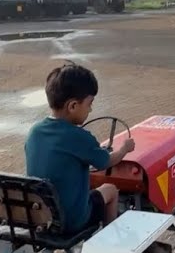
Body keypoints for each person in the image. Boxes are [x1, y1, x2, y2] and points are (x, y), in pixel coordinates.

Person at [25, 62, 135, 231]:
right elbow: (106, 162)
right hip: (71, 221)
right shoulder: (79, 137)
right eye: (89, 104)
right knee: (110, 189)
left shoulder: (34, 132)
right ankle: (110, 243)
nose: (90, 110)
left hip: (40, 217)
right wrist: (124, 149)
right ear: (73, 106)